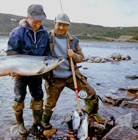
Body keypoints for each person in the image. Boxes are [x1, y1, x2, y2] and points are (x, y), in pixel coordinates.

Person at [40, 13, 106, 130]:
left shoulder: (74, 40)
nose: (61, 27)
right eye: (59, 24)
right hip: (53, 78)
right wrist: (24, 25)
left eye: (64, 25)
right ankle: (44, 123)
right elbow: (34, 32)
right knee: (50, 104)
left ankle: (93, 113)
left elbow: (81, 57)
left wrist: (73, 54)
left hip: (72, 76)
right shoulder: (46, 36)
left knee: (90, 93)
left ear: (68, 26)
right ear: (54, 24)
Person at [6, 4, 52, 136]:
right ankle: (20, 124)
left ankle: (36, 123)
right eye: (34, 21)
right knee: (19, 97)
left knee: (38, 96)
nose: (37, 24)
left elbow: (47, 53)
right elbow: (11, 52)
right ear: (27, 18)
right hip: (20, 72)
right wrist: (12, 68)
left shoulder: (44, 34)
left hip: (36, 71)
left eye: (40, 21)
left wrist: (51, 63)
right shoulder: (17, 32)